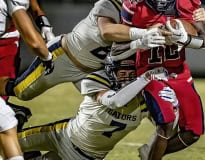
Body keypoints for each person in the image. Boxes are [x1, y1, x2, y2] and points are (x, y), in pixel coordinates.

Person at [1, 0, 205, 102]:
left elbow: (182, 23)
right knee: (21, 93)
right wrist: (142, 34)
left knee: (120, 106)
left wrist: (193, 22)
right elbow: (108, 31)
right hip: (64, 59)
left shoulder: (146, 11)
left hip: (96, 70)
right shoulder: (110, 4)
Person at [17, 55, 178, 160]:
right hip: (61, 134)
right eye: (122, 71)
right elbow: (115, 102)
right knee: (8, 141)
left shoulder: (145, 100)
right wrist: (145, 78)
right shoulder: (96, 81)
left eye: (131, 72)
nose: (127, 76)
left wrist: (173, 108)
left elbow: (166, 127)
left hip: (85, 156)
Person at [112, 0, 205, 159]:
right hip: (150, 73)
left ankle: (150, 153)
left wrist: (185, 39)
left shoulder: (186, 3)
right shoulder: (133, 6)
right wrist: (141, 41)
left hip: (179, 74)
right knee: (166, 123)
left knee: (193, 133)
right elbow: (116, 48)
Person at [0, 0, 55, 131]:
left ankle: (11, 115)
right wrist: (46, 56)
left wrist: (43, 23)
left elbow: (32, 7)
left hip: (5, 42)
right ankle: (13, 113)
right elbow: (35, 43)